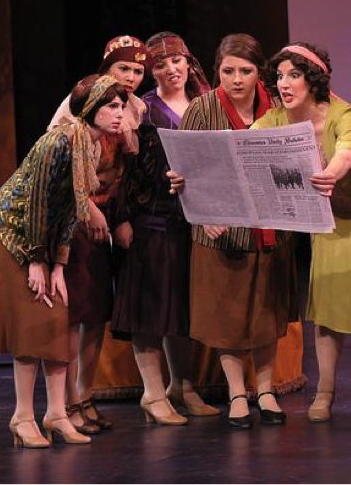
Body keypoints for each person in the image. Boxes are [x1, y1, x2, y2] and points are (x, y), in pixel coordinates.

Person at [0, 74, 127, 447]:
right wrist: (38, 261)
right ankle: (22, 417)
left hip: (39, 239)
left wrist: (60, 266)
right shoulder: (59, 141)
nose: (120, 113)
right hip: (5, 233)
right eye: (112, 106)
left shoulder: (89, 146)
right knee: (35, 322)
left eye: (121, 106)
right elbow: (38, 201)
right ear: (90, 109)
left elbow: (69, 210)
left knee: (56, 318)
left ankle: (55, 413)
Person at [252, 43, 351, 425]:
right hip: (331, 217)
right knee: (327, 310)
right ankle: (325, 392)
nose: (284, 84)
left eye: (294, 75)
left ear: (313, 80)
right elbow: (241, 146)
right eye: (280, 76)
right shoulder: (275, 118)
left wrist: (329, 174)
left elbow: (349, 149)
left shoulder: (342, 113)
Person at [169, 34, 298, 428]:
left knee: (266, 313)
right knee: (227, 316)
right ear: (217, 71)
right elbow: (185, 168)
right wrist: (193, 198)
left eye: (245, 70)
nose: (237, 79)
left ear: (260, 72)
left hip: (269, 225)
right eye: (228, 71)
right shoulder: (202, 109)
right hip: (220, 229)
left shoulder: (277, 107)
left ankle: (266, 391)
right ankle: (237, 393)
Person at [110, 31, 215, 426]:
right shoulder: (142, 109)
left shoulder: (205, 105)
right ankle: (152, 393)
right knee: (149, 308)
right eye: (161, 64)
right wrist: (121, 217)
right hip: (149, 220)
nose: (171, 69)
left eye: (177, 60)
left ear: (189, 62)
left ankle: (182, 387)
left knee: (181, 308)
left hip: (192, 223)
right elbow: (123, 169)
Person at [48, 35, 150, 434]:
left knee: (96, 313)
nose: (130, 77)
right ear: (106, 68)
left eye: (138, 71)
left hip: (106, 213)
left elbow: (128, 171)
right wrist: (87, 207)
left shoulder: (135, 109)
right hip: (74, 217)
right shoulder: (80, 103)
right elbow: (60, 165)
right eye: (123, 68)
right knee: (74, 312)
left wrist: (118, 216)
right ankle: (67, 402)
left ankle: (85, 394)